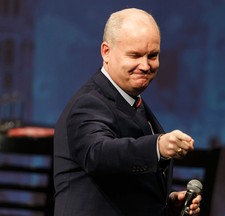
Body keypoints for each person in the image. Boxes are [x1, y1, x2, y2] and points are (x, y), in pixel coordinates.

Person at [53, 7, 202, 216]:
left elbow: (123, 181)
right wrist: (157, 147)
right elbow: (99, 154)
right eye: (134, 55)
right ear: (106, 52)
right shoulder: (88, 103)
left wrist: (165, 206)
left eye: (153, 55)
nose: (145, 65)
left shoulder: (132, 102)